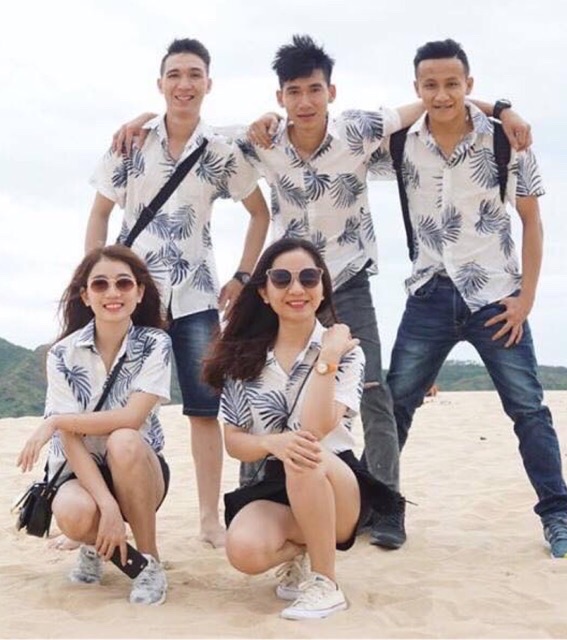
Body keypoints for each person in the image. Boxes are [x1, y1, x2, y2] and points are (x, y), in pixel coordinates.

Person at [112, 33, 532, 550]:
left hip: (347, 280)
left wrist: (502, 109)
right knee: (257, 383)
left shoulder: (359, 130)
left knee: (373, 393)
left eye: (314, 89)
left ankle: (387, 510)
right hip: (287, 285)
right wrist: (140, 121)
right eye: (294, 92)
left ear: (331, 92)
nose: (305, 101)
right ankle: (254, 496)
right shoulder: (262, 141)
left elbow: (436, 101)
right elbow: (190, 123)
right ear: (280, 97)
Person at [385, 39, 567, 559]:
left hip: (496, 298)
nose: (442, 94)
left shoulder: (505, 140)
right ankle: (382, 509)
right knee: (394, 405)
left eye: (452, 84)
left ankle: (558, 518)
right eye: (430, 85)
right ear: (416, 88)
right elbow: (343, 141)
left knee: (528, 410)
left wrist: (526, 299)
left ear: (469, 84)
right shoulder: (401, 142)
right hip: (428, 292)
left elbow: (532, 222)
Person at [86, 38, 271, 548]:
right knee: (112, 403)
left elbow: (260, 213)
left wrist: (244, 276)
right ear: (160, 83)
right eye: (174, 75)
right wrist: (95, 280)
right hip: (130, 298)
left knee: (204, 410)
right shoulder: (131, 142)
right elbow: (100, 212)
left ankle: (210, 519)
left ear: (208, 83)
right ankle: (105, 513)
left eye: (194, 75)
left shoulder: (220, 149)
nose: (184, 84)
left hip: (196, 297)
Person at [202, 237, 402, 620]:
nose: (297, 289)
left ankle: (326, 583)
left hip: (336, 481)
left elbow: (315, 428)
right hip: (278, 480)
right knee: (243, 551)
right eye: (282, 279)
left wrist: (327, 356)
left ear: (323, 287)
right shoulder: (242, 359)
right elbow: (235, 443)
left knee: (304, 452)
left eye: (309, 278)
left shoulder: (347, 351)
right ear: (264, 292)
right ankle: (302, 550)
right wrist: (272, 443)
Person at [17, 245, 172, 605]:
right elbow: (71, 439)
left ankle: (150, 561)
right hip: (81, 472)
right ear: (86, 296)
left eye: (123, 283)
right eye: (100, 284)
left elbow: (132, 418)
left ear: (139, 292)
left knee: (124, 439)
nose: (113, 292)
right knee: (72, 513)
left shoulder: (155, 343)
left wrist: (57, 420)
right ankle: (99, 547)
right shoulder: (62, 354)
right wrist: (108, 507)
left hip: (140, 468)